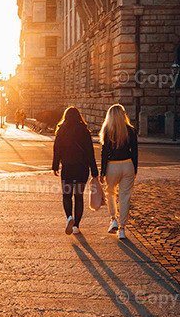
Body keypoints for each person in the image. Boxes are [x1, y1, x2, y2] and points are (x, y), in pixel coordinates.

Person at [52, 106, 98, 235]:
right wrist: (94, 171)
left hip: (67, 168)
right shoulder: (84, 131)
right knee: (78, 196)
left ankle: (69, 217)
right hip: (82, 169)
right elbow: (90, 152)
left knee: (67, 195)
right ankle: (76, 225)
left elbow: (57, 150)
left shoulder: (61, 131)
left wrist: (55, 166)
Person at [99, 103, 138, 240]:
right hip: (127, 164)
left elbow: (105, 153)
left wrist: (102, 172)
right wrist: (134, 169)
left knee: (110, 193)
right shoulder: (131, 130)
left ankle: (113, 219)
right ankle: (122, 228)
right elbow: (135, 152)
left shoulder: (108, 130)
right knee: (125, 197)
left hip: (112, 166)